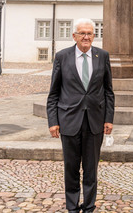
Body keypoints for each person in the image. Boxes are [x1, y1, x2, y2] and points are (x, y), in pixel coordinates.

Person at [46, 18, 115, 213]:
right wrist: (53, 121)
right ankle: (72, 207)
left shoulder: (102, 56)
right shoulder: (62, 57)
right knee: (71, 168)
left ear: (94, 36)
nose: (86, 37)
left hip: (95, 121)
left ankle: (89, 206)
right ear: (74, 36)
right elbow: (54, 92)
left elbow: (108, 91)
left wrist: (109, 118)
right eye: (82, 33)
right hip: (69, 120)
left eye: (90, 33)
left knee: (91, 169)